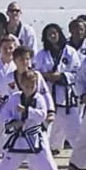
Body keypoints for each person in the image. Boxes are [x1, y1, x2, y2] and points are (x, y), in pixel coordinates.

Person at [0, 69, 66, 170]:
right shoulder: (14, 97)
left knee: (48, 169)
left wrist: (27, 111)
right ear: (21, 85)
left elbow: (42, 115)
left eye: (32, 86)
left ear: (36, 85)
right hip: (17, 140)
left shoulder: (39, 98)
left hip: (35, 140)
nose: (29, 89)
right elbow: (4, 114)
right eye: (26, 86)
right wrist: (12, 122)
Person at [34, 22, 81, 153]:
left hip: (67, 97)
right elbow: (34, 73)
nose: (52, 36)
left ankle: (82, 160)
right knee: (50, 129)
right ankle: (50, 151)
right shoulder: (42, 54)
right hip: (48, 95)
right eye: (49, 34)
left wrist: (61, 76)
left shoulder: (70, 52)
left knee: (74, 130)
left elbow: (77, 73)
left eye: (55, 33)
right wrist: (46, 75)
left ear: (60, 34)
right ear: (45, 37)